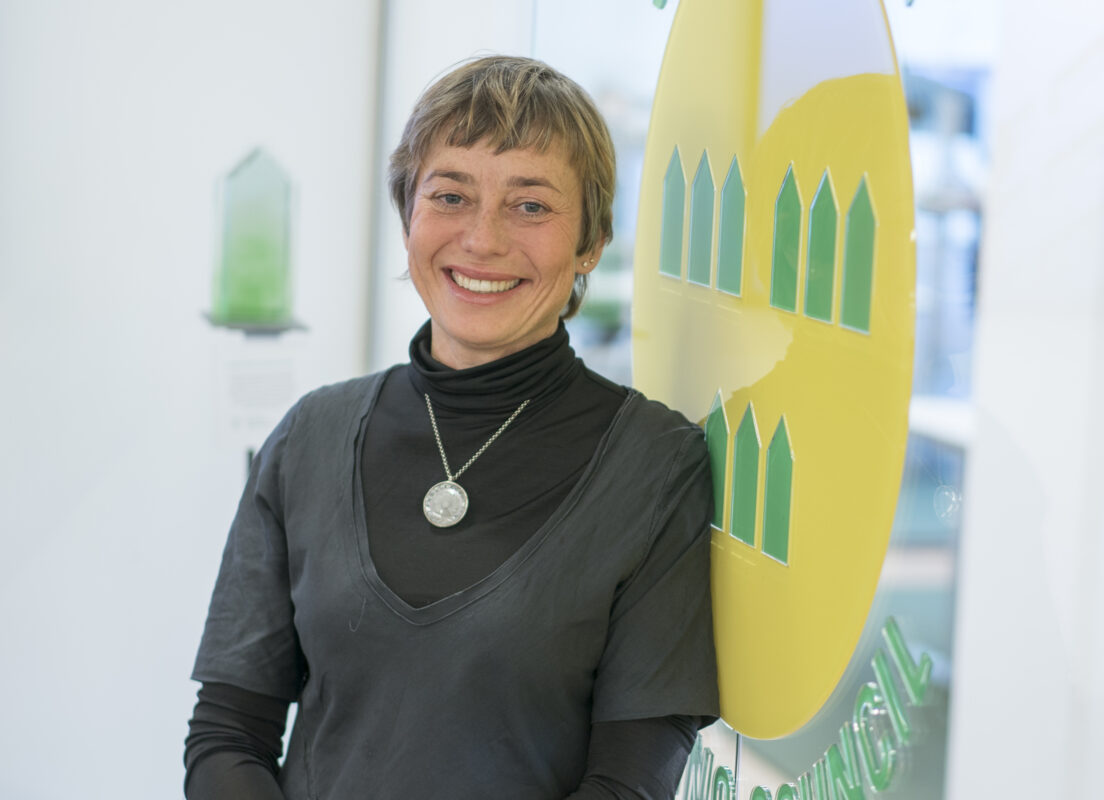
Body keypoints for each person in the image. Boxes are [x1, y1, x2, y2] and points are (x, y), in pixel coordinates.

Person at [184, 55, 719, 799]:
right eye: (450, 196)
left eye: (530, 206)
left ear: (592, 242)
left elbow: (630, 785)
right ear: (409, 215)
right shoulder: (311, 437)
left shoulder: (656, 468)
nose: (482, 239)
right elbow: (227, 736)